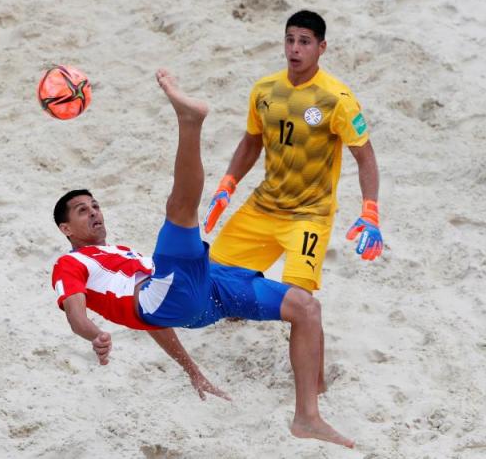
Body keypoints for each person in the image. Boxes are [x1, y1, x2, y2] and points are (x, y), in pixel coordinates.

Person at [50, 69, 354, 448]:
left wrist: (191, 369)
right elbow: (77, 312)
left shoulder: (120, 253)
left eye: (95, 205)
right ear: (66, 229)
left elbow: (154, 320)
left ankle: (309, 410)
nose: (94, 212)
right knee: (181, 210)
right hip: (172, 295)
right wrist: (94, 334)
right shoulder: (70, 265)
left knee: (306, 307)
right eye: (81, 210)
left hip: (199, 298)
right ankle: (189, 121)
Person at [203, 10, 384, 386]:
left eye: (304, 42)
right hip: (263, 206)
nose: (295, 49)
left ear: (321, 47)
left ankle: (315, 385)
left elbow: (365, 156)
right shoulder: (265, 90)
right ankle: (240, 317)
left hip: (309, 216)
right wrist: (227, 184)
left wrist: (370, 211)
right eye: (290, 40)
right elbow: (252, 141)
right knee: (213, 278)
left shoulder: (337, 99)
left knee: (300, 305)